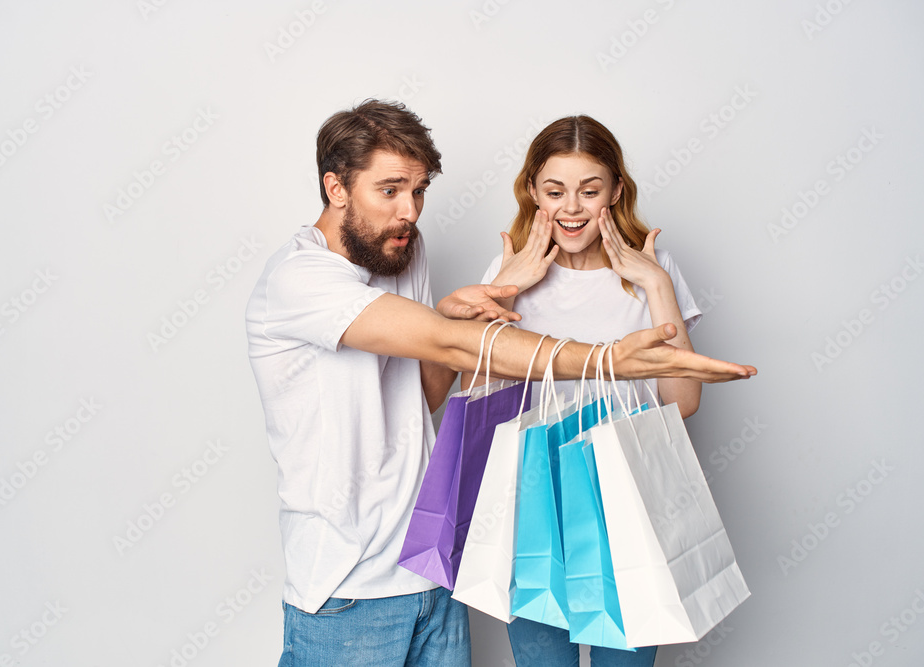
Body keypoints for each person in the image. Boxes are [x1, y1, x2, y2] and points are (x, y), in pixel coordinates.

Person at [245, 99, 754, 667]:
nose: (409, 210)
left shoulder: (401, 252)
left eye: (418, 191)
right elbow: (455, 352)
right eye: (390, 190)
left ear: (615, 190)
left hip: (429, 564)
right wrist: (601, 356)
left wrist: (652, 287)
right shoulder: (298, 280)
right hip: (356, 578)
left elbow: (425, 396)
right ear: (335, 187)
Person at [474, 115, 703, 666]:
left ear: (616, 191)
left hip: (629, 489)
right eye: (555, 191)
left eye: (589, 190)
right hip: (533, 489)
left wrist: (654, 283)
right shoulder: (510, 272)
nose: (571, 207)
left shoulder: (653, 270)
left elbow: (683, 402)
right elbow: (478, 398)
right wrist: (507, 292)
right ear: (532, 191)